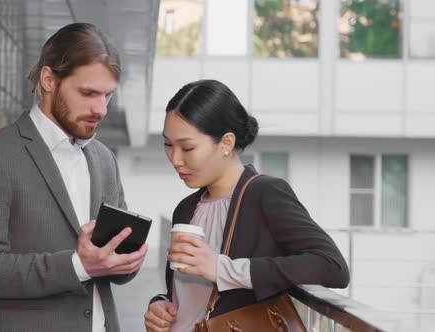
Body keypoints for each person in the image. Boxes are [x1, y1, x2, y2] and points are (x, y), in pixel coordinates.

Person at [0, 22, 147, 332]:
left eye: (108, 96)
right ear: (48, 80)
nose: (101, 109)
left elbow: (108, 264)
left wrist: (126, 262)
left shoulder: (104, 159)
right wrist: (77, 265)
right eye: (88, 93)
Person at [144, 80, 349, 332]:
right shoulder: (186, 208)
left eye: (187, 147)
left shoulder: (264, 194)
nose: (175, 159)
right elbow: (184, 295)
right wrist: (161, 305)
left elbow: (332, 266)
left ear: (226, 143)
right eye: (167, 144)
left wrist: (222, 268)